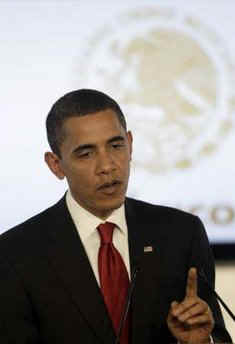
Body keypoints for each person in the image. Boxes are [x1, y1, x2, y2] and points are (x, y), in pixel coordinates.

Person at [0, 89, 232, 344]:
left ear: (130, 144)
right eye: (86, 153)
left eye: (116, 145)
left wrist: (199, 342)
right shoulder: (15, 255)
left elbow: (216, 335)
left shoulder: (181, 234)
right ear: (56, 164)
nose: (107, 166)